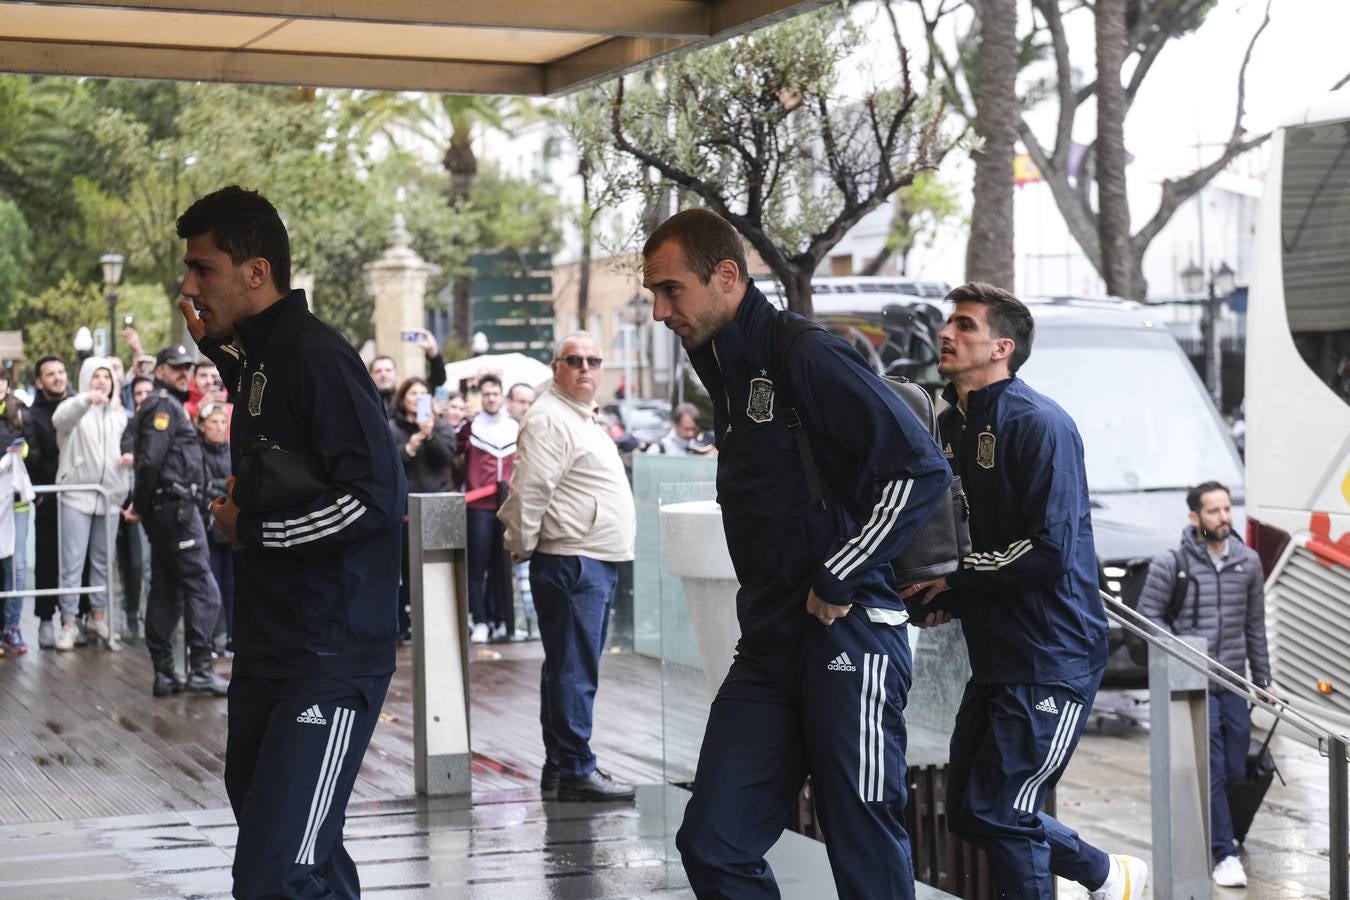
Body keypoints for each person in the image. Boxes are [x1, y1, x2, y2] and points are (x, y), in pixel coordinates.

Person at [642, 209, 950, 899]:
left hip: (850, 632)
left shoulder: (804, 352)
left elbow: (921, 468)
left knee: (862, 844)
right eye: (654, 294)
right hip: (770, 639)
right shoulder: (721, 362)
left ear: (726, 277)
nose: (661, 311)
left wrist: (841, 570)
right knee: (713, 842)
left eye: (671, 290)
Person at [179, 185, 404, 899]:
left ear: (256, 273)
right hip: (272, 651)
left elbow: (376, 500)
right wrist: (221, 353)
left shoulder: (318, 358)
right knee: (296, 848)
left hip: (328, 658)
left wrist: (255, 531)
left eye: (203, 270)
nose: (187, 287)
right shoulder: (261, 359)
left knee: (278, 872)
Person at [901, 282, 1147, 900]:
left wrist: (955, 580)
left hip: (1050, 655)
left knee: (1003, 811)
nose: (946, 334)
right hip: (995, 655)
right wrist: (946, 597)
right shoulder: (951, 425)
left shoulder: (1040, 424)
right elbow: (968, 538)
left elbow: (1048, 548)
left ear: (1001, 347)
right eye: (946, 323)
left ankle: (1104, 876)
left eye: (964, 325)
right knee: (968, 810)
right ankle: (1105, 875)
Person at [499, 332, 636, 801]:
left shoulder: (576, 415)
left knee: (567, 667)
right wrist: (520, 541)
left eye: (593, 360)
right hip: (574, 559)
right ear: (555, 367)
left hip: (587, 556)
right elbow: (529, 491)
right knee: (575, 670)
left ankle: (561, 765)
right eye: (574, 360)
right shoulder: (551, 418)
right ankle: (576, 767)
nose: (585, 368)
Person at [1136, 480, 1271, 889]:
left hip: (1232, 681)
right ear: (1195, 517)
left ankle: (1222, 829)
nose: (1224, 517)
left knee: (1233, 767)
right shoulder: (1171, 562)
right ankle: (1223, 853)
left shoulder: (1247, 563)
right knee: (1209, 768)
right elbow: (1148, 616)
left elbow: (1254, 625)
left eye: (1228, 509)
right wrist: (1185, 653)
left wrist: (1263, 678)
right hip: (1194, 686)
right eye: (1214, 511)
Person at [134, 344, 226, 697]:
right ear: (158, 370)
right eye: (175, 367)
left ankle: (165, 672)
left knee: (167, 588)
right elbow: (150, 463)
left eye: (186, 366)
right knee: (203, 587)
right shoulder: (163, 406)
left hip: (170, 509)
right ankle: (200, 668)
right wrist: (141, 505)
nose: (183, 372)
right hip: (176, 511)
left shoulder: (166, 405)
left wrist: (141, 504)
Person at [51, 356, 132, 650]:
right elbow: (60, 420)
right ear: (86, 379)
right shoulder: (75, 409)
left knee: (103, 562)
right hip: (77, 495)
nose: (102, 382)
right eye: (96, 376)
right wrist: (86, 399)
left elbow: (131, 444)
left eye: (107, 377)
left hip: (110, 497)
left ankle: (98, 617)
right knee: (72, 563)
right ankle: (69, 623)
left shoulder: (120, 415)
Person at [389, 376, 457, 642]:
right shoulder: (392, 427)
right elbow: (389, 462)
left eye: (422, 393)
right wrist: (408, 448)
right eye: (412, 392)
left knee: (438, 564)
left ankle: (440, 620)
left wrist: (429, 435)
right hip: (406, 509)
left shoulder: (439, 426)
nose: (417, 397)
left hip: (437, 505)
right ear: (402, 397)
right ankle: (405, 621)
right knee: (408, 568)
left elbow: (447, 456)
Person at [460, 373, 517, 643]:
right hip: (479, 506)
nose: (491, 398)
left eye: (495, 393)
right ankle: (480, 619)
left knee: (502, 565)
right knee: (478, 565)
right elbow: (455, 447)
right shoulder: (471, 428)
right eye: (486, 394)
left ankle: (502, 619)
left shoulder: (514, 427)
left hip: (507, 505)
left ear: (502, 396)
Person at [23, 354, 69, 648]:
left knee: (82, 557)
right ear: (39, 381)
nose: (58, 377)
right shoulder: (31, 415)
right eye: (51, 374)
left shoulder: (81, 403)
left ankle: (79, 617)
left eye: (62, 372)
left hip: (80, 494)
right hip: (49, 497)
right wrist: (40, 492)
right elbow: (33, 457)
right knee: (47, 558)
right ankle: (45, 618)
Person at [117, 375, 154, 643]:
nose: (142, 398)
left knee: (155, 565)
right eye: (137, 393)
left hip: (163, 505)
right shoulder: (131, 423)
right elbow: (128, 448)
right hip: (136, 503)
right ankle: (132, 613)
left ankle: (153, 617)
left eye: (147, 392)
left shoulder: (168, 418)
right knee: (136, 563)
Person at [199, 402, 235, 653]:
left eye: (223, 422)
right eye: (213, 422)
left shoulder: (234, 451)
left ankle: (233, 636)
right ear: (202, 426)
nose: (219, 427)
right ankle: (210, 638)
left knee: (233, 583)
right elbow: (201, 488)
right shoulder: (197, 453)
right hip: (206, 526)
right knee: (211, 583)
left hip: (231, 527)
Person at [0, 370, 31, 655]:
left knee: (17, 566)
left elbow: (28, 447)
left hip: (16, 503)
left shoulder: (18, 411)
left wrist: (19, 451)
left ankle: (12, 626)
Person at [368, 330, 447, 416]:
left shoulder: (408, 398)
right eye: (378, 371)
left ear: (396, 374)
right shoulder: (366, 401)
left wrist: (433, 354)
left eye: (388, 370)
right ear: (371, 376)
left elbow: (437, 380)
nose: (383, 374)